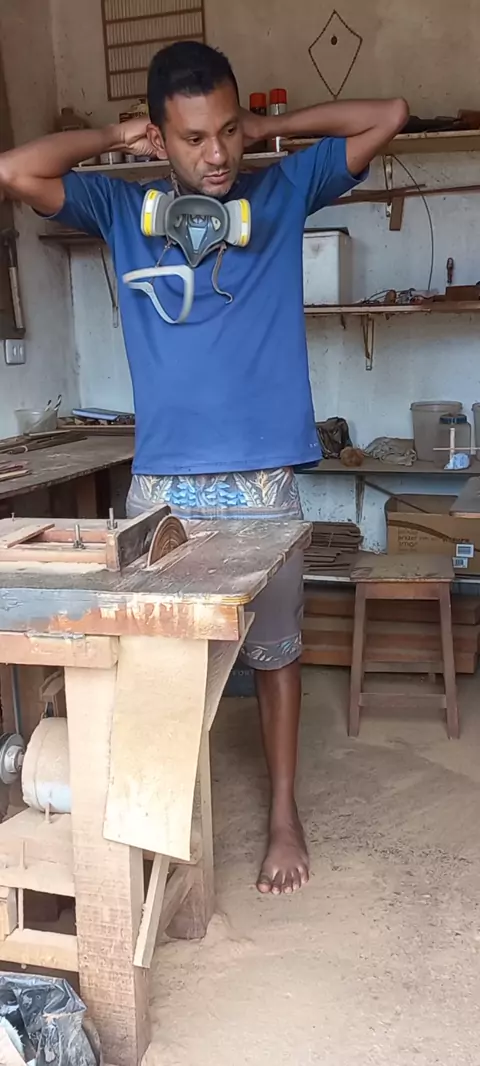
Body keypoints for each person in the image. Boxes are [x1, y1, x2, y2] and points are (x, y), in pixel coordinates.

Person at [0, 42, 408, 896]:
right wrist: (114, 137)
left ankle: (284, 815)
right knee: (156, 665)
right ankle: (160, 821)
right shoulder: (123, 209)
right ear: (161, 136)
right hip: (164, 488)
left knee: (277, 653)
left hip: (263, 485)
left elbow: (389, 116)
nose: (216, 155)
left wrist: (269, 128)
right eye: (192, 138)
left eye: (226, 131)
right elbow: (15, 170)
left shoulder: (281, 190)